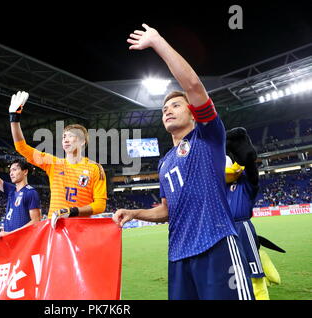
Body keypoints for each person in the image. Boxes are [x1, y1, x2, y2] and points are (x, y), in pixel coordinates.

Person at [113, 23, 254, 300]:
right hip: (178, 255)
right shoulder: (164, 163)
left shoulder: (208, 136)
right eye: (164, 109)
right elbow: (166, 211)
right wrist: (134, 213)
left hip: (216, 244)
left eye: (176, 106)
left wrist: (158, 42)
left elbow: (192, 85)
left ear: (192, 113)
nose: (168, 110)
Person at [8, 91, 107, 226]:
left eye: (70, 136)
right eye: (64, 137)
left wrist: (71, 211)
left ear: (82, 141)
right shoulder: (53, 163)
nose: (65, 139)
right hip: (55, 228)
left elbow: (100, 205)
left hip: (81, 229)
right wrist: (14, 118)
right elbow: (22, 148)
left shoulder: (96, 169)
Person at [225, 127, 271, 300]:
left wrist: (247, 157)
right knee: (232, 269)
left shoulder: (245, 182)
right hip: (226, 230)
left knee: (253, 268)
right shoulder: (220, 186)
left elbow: (251, 171)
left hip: (243, 227)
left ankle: (260, 294)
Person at [0, 146, 41, 234]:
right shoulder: (11, 190)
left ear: (25, 172)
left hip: (21, 241)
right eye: (10, 170)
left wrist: (11, 234)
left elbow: (36, 221)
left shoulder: (31, 193)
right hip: (8, 240)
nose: (11, 173)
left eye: (14, 170)